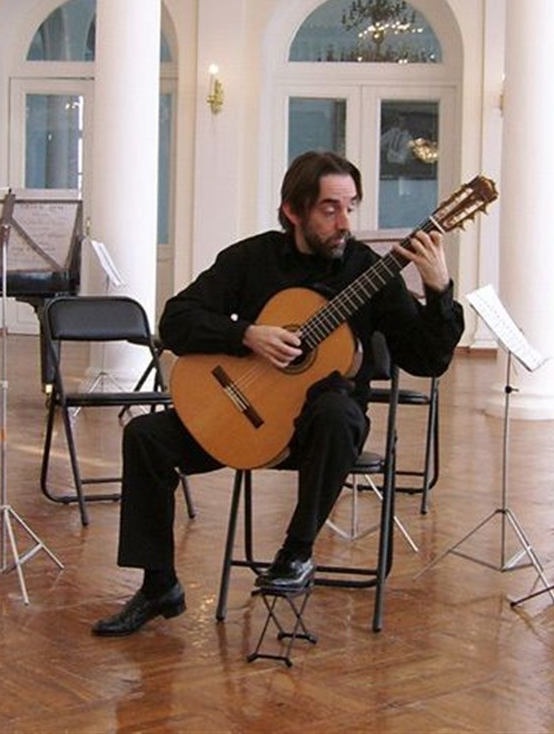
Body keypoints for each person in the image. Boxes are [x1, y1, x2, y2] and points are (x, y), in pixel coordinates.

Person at [92, 151, 464, 637]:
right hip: (247, 414)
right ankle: (158, 584)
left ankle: (296, 553)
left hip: (320, 436)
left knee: (337, 412)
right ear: (293, 210)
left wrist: (439, 291)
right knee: (146, 435)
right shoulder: (252, 259)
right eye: (330, 209)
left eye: (350, 207)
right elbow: (176, 319)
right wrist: (246, 334)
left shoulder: (369, 272)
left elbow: (428, 359)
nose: (344, 222)